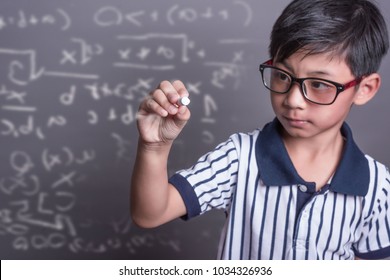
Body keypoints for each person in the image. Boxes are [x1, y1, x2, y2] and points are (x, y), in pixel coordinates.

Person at [131, 0, 390, 260]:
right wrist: (154, 147)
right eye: (282, 75)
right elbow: (150, 213)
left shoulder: (378, 187)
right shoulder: (239, 158)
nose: (293, 100)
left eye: (319, 84)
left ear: (364, 89)